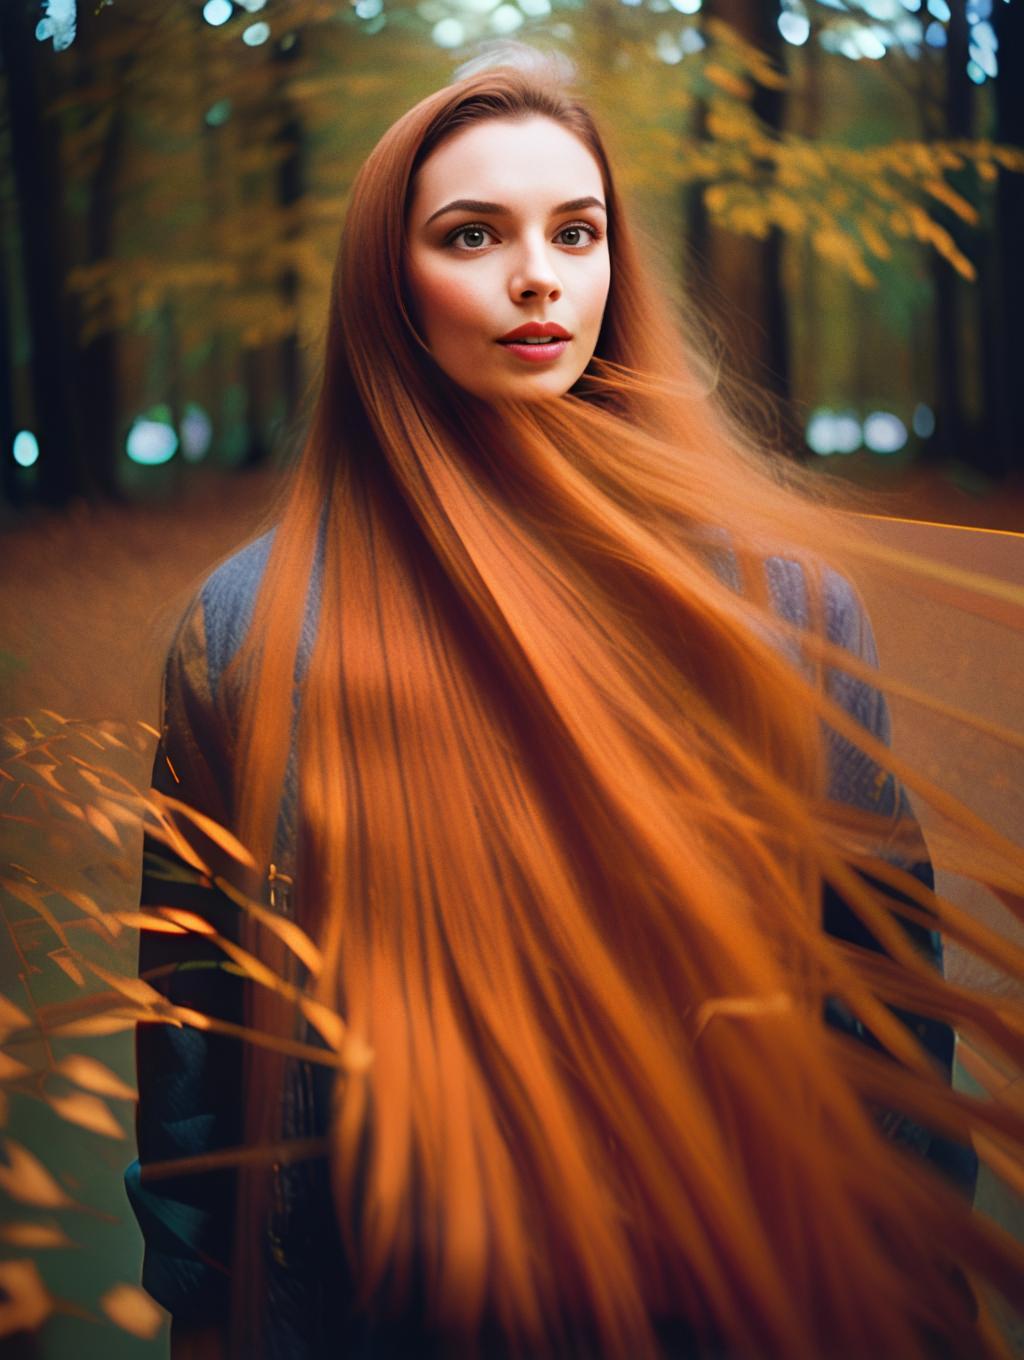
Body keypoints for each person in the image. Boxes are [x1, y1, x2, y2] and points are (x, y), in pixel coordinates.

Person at [126, 46, 1019, 1360]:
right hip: (380, 1312)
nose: (537, 273)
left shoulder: (783, 613)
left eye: (576, 230)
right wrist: (206, 1317)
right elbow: (199, 1041)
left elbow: (876, 1011)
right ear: (392, 282)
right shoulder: (249, 632)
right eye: (472, 233)